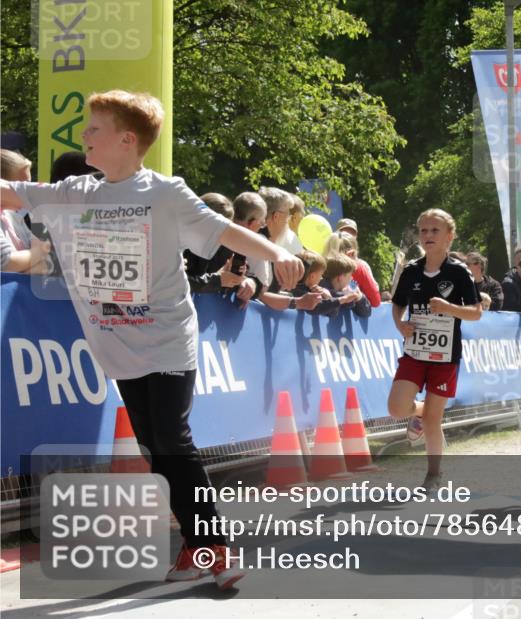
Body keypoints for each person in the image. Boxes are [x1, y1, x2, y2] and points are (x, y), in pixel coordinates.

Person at [0, 90, 306, 589]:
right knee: (154, 447)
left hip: (167, 341)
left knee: (171, 440)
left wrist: (277, 249)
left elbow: (226, 231)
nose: (84, 138)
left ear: (126, 140)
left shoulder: (165, 194)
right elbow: (10, 193)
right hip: (116, 347)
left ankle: (216, 547)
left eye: (93, 129)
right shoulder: (77, 192)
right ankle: (194, 544)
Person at [386, 209, 481, 489]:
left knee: (432, 421)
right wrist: (400, 325)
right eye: (423, 230)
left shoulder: (459, 272)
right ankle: (421, 411)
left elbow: (476, 312)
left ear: (449, 236)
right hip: (415, 352)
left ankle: (434, 475)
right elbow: (397, 304)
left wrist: (449, 308)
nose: (427, 235)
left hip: (445, 357)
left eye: (434, 231)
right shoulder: (412, 270)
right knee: (396, 408)